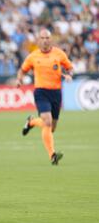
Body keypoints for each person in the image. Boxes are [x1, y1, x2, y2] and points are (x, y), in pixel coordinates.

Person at [17, 29, 73, 165]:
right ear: (38, 40)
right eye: (42, 38)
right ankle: (52, 156)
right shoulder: (33, 56)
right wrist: (19, 79)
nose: (45, 40)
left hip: (56, 93)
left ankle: (31, 122)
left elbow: (69, 67)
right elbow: (22, 70)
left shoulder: (59, 54)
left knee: (51, 127)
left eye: (47, 38)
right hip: (41, 92)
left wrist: (69, 74)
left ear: (51, 39)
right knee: (47, 122)